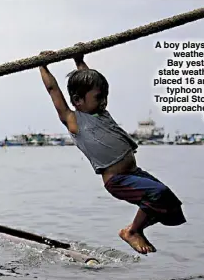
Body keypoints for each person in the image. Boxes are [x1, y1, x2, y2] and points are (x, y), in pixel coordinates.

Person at [38, 47, 186, 255]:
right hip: (117, 180)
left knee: (172, 206)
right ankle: (132, 231)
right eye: (99, 98)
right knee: (157, 193)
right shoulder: (74, 120)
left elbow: (89, 81)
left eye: (105, 97)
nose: (104, 102)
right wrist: (42, 66)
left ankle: (136, 229)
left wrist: (79, 59)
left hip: (134, 173)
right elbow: (54, 90)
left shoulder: (102, 113)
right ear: (78, 101)